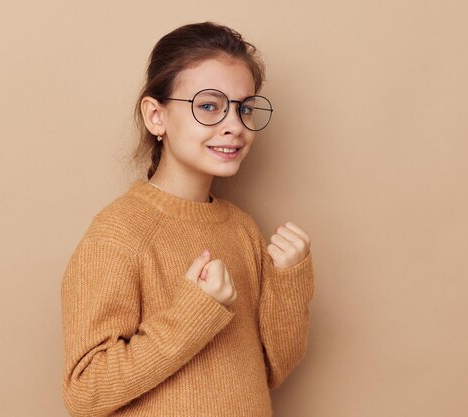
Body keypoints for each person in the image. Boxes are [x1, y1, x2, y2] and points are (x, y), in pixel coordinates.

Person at [60, 21, 315, 417]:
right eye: (209, 106)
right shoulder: (119, 234)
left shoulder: (243, 229)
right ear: (155, 116)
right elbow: (86, 393)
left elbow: (271, 369)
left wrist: (289, 282)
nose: (234, 125)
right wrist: (193, 313)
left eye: (243, 107)